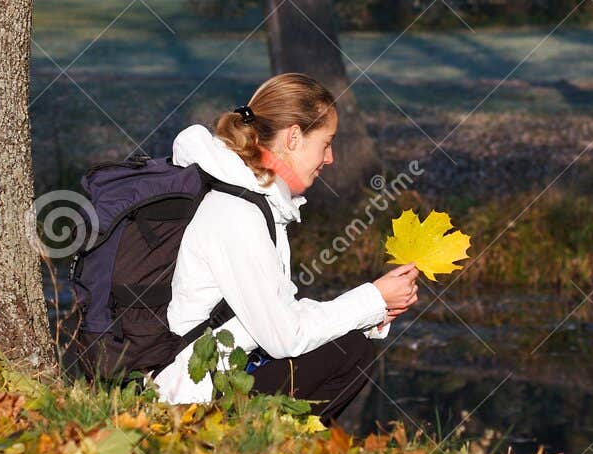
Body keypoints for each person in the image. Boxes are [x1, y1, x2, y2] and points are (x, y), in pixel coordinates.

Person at [150, 73, 420, 424]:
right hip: (188, 393)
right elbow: (285, 337)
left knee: (351, 342)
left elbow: (278, 314)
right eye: (326, 143)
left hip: (216, 372)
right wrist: (371, 299)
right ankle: (273, 452)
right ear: (294, 137)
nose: (331, 158)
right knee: (348, 352)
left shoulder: (253, 199)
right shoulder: (237, 211)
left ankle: (283, 450)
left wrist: (372, 313)